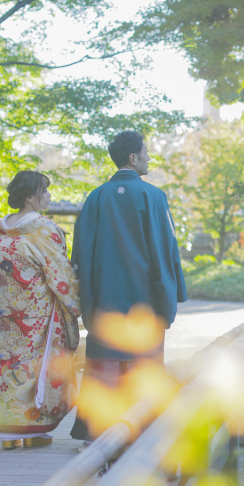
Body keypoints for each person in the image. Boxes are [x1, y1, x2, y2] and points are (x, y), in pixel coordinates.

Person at [70, 130, 187, 441]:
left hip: (104, 300)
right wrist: (171, 299)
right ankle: (143, 430)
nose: (149, 157)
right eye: (145, 152)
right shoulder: (154, 197)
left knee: (103, 364)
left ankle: (97, 429)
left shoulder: (95, 198)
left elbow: (80, 253)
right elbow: (165, 254)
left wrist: (88, 297)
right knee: (143, 365)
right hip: (143, 304)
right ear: (133, 158)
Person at [0, 171, 81, 449]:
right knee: (35, 369)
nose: (49, 196)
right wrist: (75, 305)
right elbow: (61, 276)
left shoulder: (0, 230)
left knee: (6, 367)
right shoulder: (45, 229)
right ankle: (34, 430)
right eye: (44, 191)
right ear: (31, 197)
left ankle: (8, 435)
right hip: (38, 317)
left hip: (6, 314)